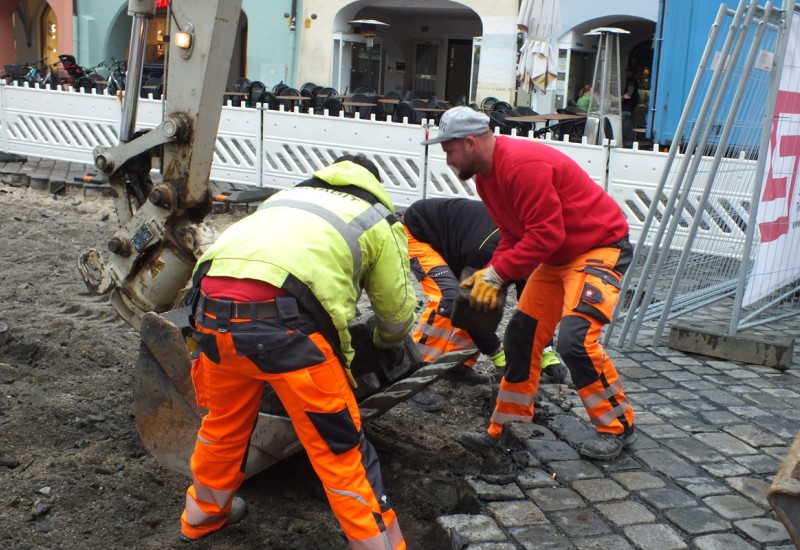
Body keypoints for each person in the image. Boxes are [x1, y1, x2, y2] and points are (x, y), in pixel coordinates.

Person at [179, 154, 415, 548]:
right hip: (288, 335)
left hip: (209, 314)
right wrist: (384, 346)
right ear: (373, 186)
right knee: (339, 449)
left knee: (222, 426)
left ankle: (201, 517)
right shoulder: (376, 219)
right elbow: (395, 314)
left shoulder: (283, 200)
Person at [421, 107, 636, 461]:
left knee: (576, 339)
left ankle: (617, 426)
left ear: (470, 143)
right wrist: (489, 274)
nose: (447, 159)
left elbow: (546, 235)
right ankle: (509, 424)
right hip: (559, 257)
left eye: (449, 150)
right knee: (521, 335)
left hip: (600, 247)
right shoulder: (488, 178)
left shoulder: (522, 166)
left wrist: (496, 275)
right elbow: (512, 235)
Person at [401, 197, 568, 387]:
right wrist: (497, 355)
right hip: (419, 231)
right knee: (448, 299)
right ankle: (414, 373)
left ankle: (456, 366)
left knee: (487, 306)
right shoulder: (491, 252)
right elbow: (470, 310)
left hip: (460, 245)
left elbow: (535, 310)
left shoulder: (537, 258)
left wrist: (546, 352)